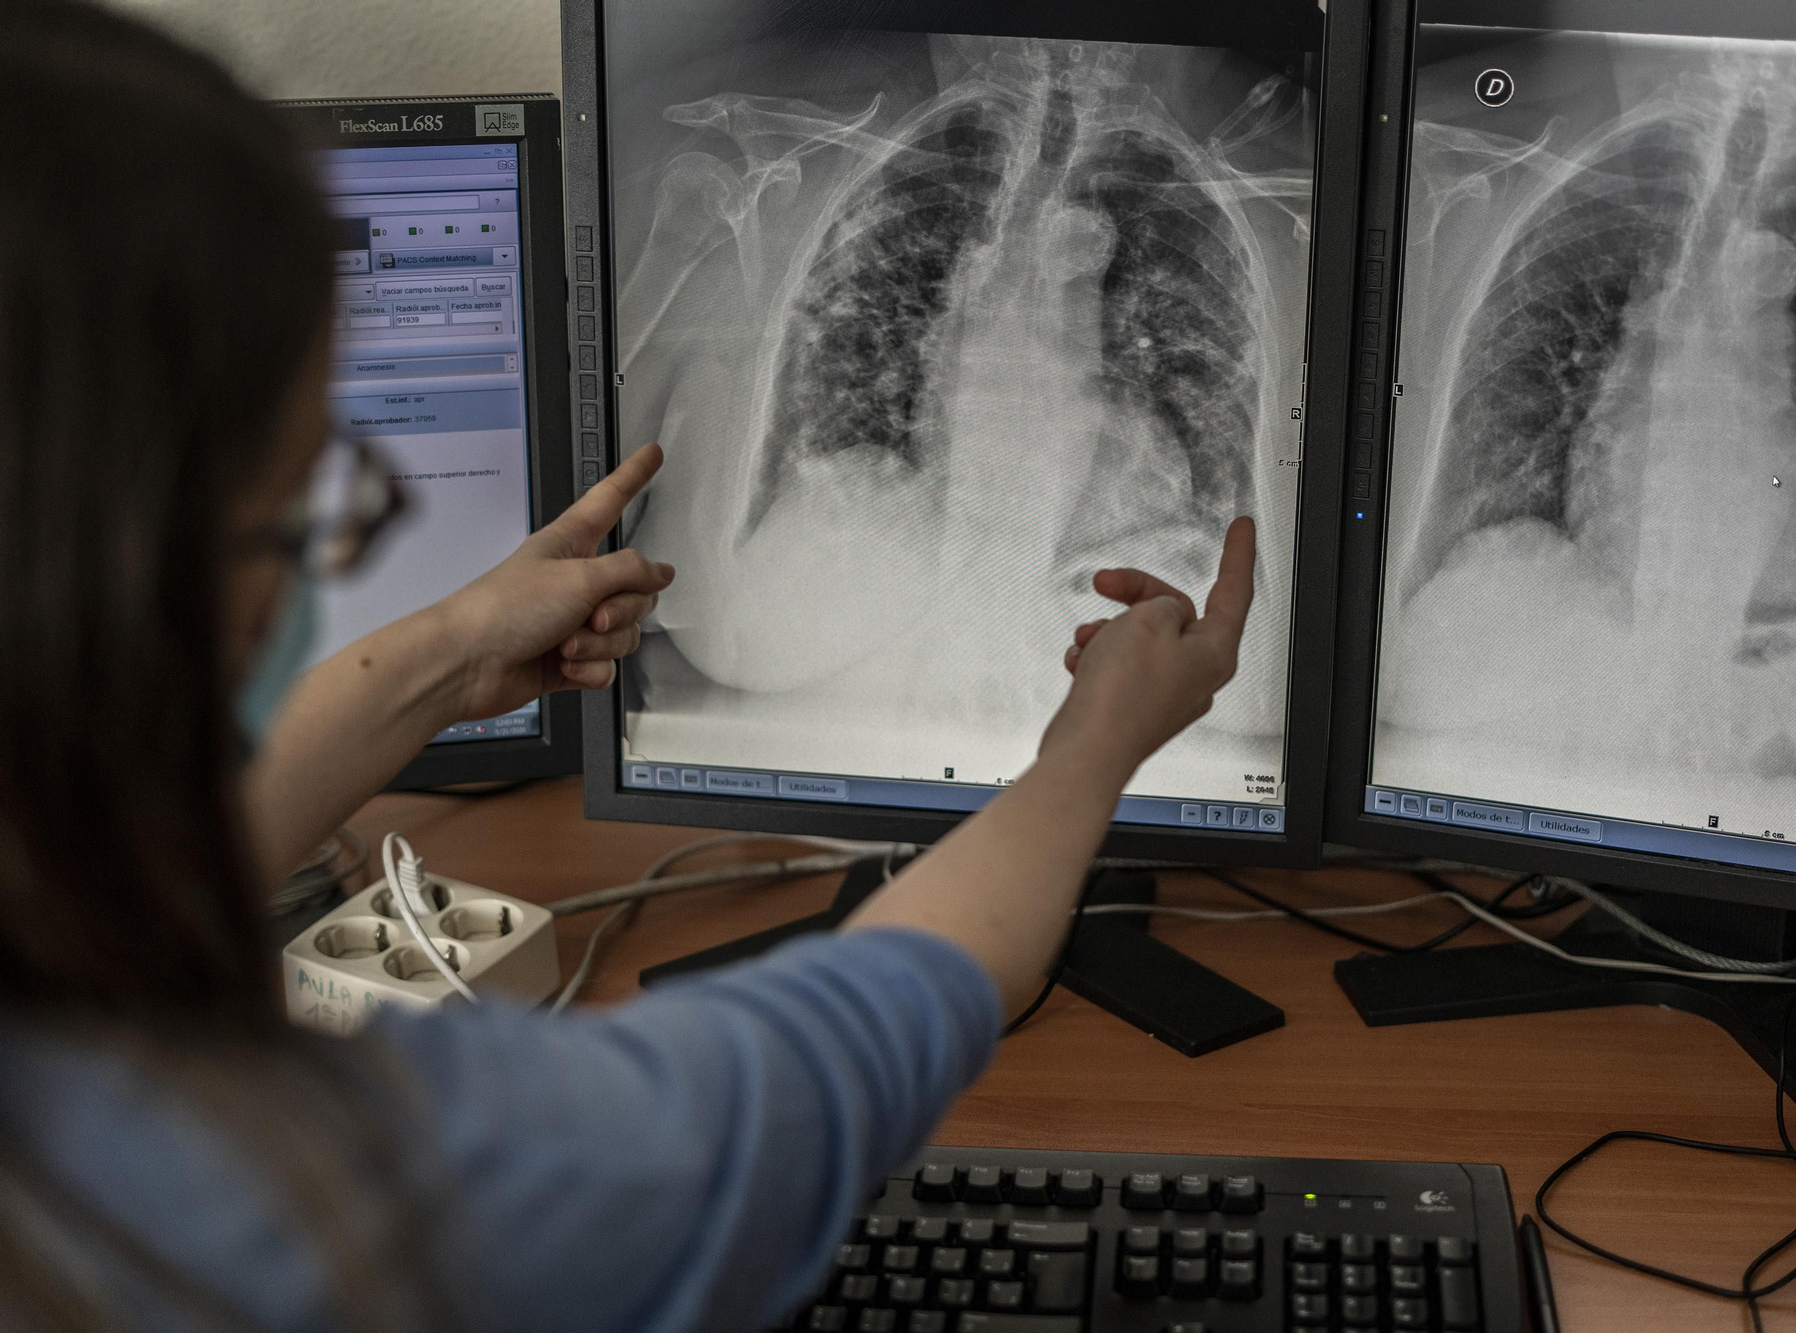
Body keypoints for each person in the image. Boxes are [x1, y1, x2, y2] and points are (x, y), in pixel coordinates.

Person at [0, 4, 1257, 1330]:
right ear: (130, 580)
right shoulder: (309, 1177)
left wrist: (441, 657)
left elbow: (111, 875)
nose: (325, 554)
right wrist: (1095, 750)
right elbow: (825, 1065)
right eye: (300, 501)